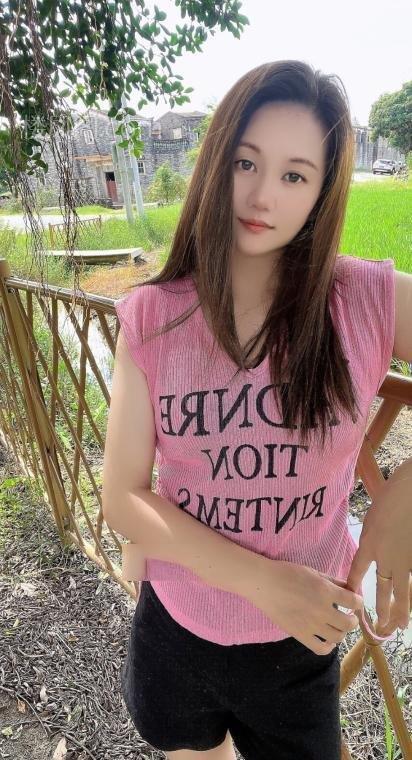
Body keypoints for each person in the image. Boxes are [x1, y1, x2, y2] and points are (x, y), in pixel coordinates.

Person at [102, 60, 407, 760]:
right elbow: (122, 497)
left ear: (323, 191)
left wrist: (407, 491)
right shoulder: (153, 317)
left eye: (296, 175)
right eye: (246, 162)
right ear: (217, 162)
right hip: (178, 626)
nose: (263, 194)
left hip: (298, 643)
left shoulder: (361, 302)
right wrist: (262, 582)